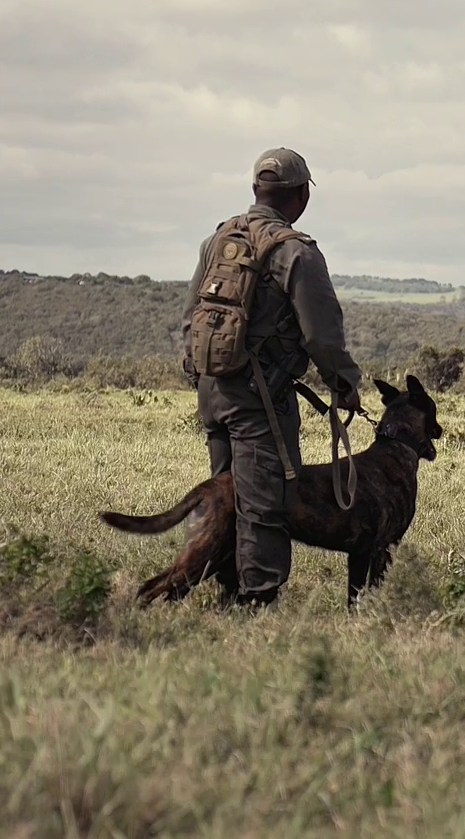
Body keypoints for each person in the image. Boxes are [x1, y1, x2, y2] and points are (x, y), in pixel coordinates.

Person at [183, 148, 364, 608]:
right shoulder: (293, 252)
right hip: (260, 399)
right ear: (301, 196)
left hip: (213, 392)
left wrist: (201, 374)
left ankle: (224, 592)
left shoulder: (219, 240)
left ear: (255, 192)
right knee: (264, 503)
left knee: (224, 496)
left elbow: (191, 316)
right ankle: (257, 603)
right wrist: (343, 384)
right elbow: (323, 335)